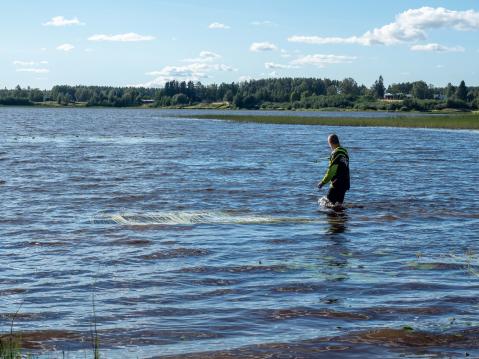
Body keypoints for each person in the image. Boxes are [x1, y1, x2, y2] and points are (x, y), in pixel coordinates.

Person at [318, 134, 350, 205]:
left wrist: (322, 182)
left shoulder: (335, 153)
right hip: (345, 183)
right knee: (339, 206)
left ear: (330, 142)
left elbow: (331, 171)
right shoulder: (344, 151)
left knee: (327, 204)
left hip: (336, 183)